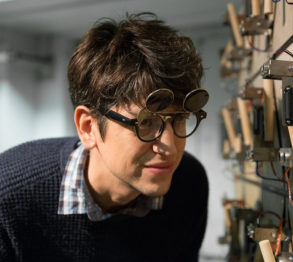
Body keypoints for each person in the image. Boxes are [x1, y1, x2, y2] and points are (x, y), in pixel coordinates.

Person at [0, 12, 209, 262]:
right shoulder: (8, 196)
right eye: (145, 123)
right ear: (88, 128)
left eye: (179, 119)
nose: (169, 147)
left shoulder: (188, 183)